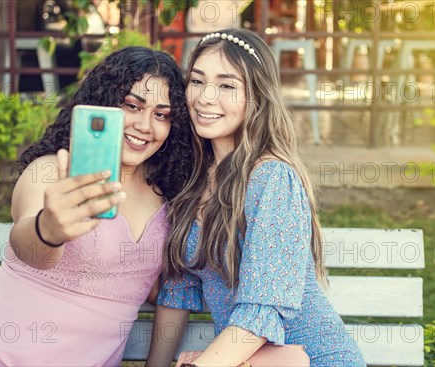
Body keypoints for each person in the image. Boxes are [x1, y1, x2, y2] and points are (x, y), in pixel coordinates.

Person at [0, 46, 193, 366]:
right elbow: (27, 243)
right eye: (132, 106)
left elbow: (161, 288)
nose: (146, 125)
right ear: (103, 104)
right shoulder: (51, 170)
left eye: (161, 114)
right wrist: (49, 229)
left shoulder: (169, 194)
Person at [145, 29, 366, 367]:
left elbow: (260, 312)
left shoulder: (272, 179)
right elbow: (179, 289)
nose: (205, 97)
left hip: (310, 358)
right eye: (197, 81)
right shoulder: (192, 178)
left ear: (257, 97)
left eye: (227, 85)